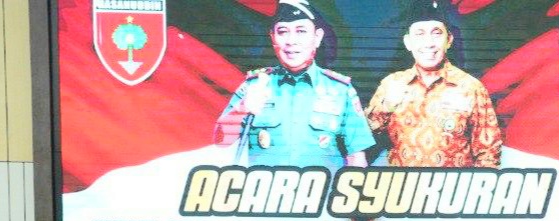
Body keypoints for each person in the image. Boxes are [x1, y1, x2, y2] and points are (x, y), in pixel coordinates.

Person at [213, 0, 374, 169]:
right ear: (272, 37)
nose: (291, 41)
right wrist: (242, 108)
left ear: (317, 37)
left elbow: (356, 157)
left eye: (301, 31)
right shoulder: (255, 85)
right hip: (263, 185)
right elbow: (221, 140)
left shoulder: (340, 90)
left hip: (321, 186)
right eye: (283, 32)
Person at [365, 0, 502, 167]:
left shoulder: (470, 87)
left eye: (436, 33)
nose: (429, 43)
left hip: (453, 183)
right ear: (408, 42)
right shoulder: (391, 84)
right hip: (402, 183)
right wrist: (385, 107)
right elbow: (360, 143)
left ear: (449, 40)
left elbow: (488, 154)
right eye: (419, 34)